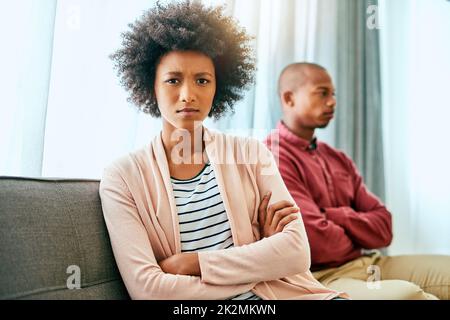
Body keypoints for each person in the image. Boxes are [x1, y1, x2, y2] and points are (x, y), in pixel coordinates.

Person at [99, 2, 347, 300]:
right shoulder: (122, 178)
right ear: (151, 85)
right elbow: (149, 291)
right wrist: (263, 260)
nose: (188, 94)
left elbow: (296, 253)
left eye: (202, 80)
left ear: (218, 86)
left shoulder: (252, 153)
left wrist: (193, 263)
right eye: (173, 80)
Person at [264, 62, 450, 300]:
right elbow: (318, 244)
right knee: (410, 296)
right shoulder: (273, 156)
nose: (332, 102)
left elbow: (384, 228)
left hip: (369, 262)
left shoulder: (337, 157)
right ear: (289, 98)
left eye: (333, 94)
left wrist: (336, 215)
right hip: (320, 277)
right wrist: (358, 234)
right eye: (322, 93)